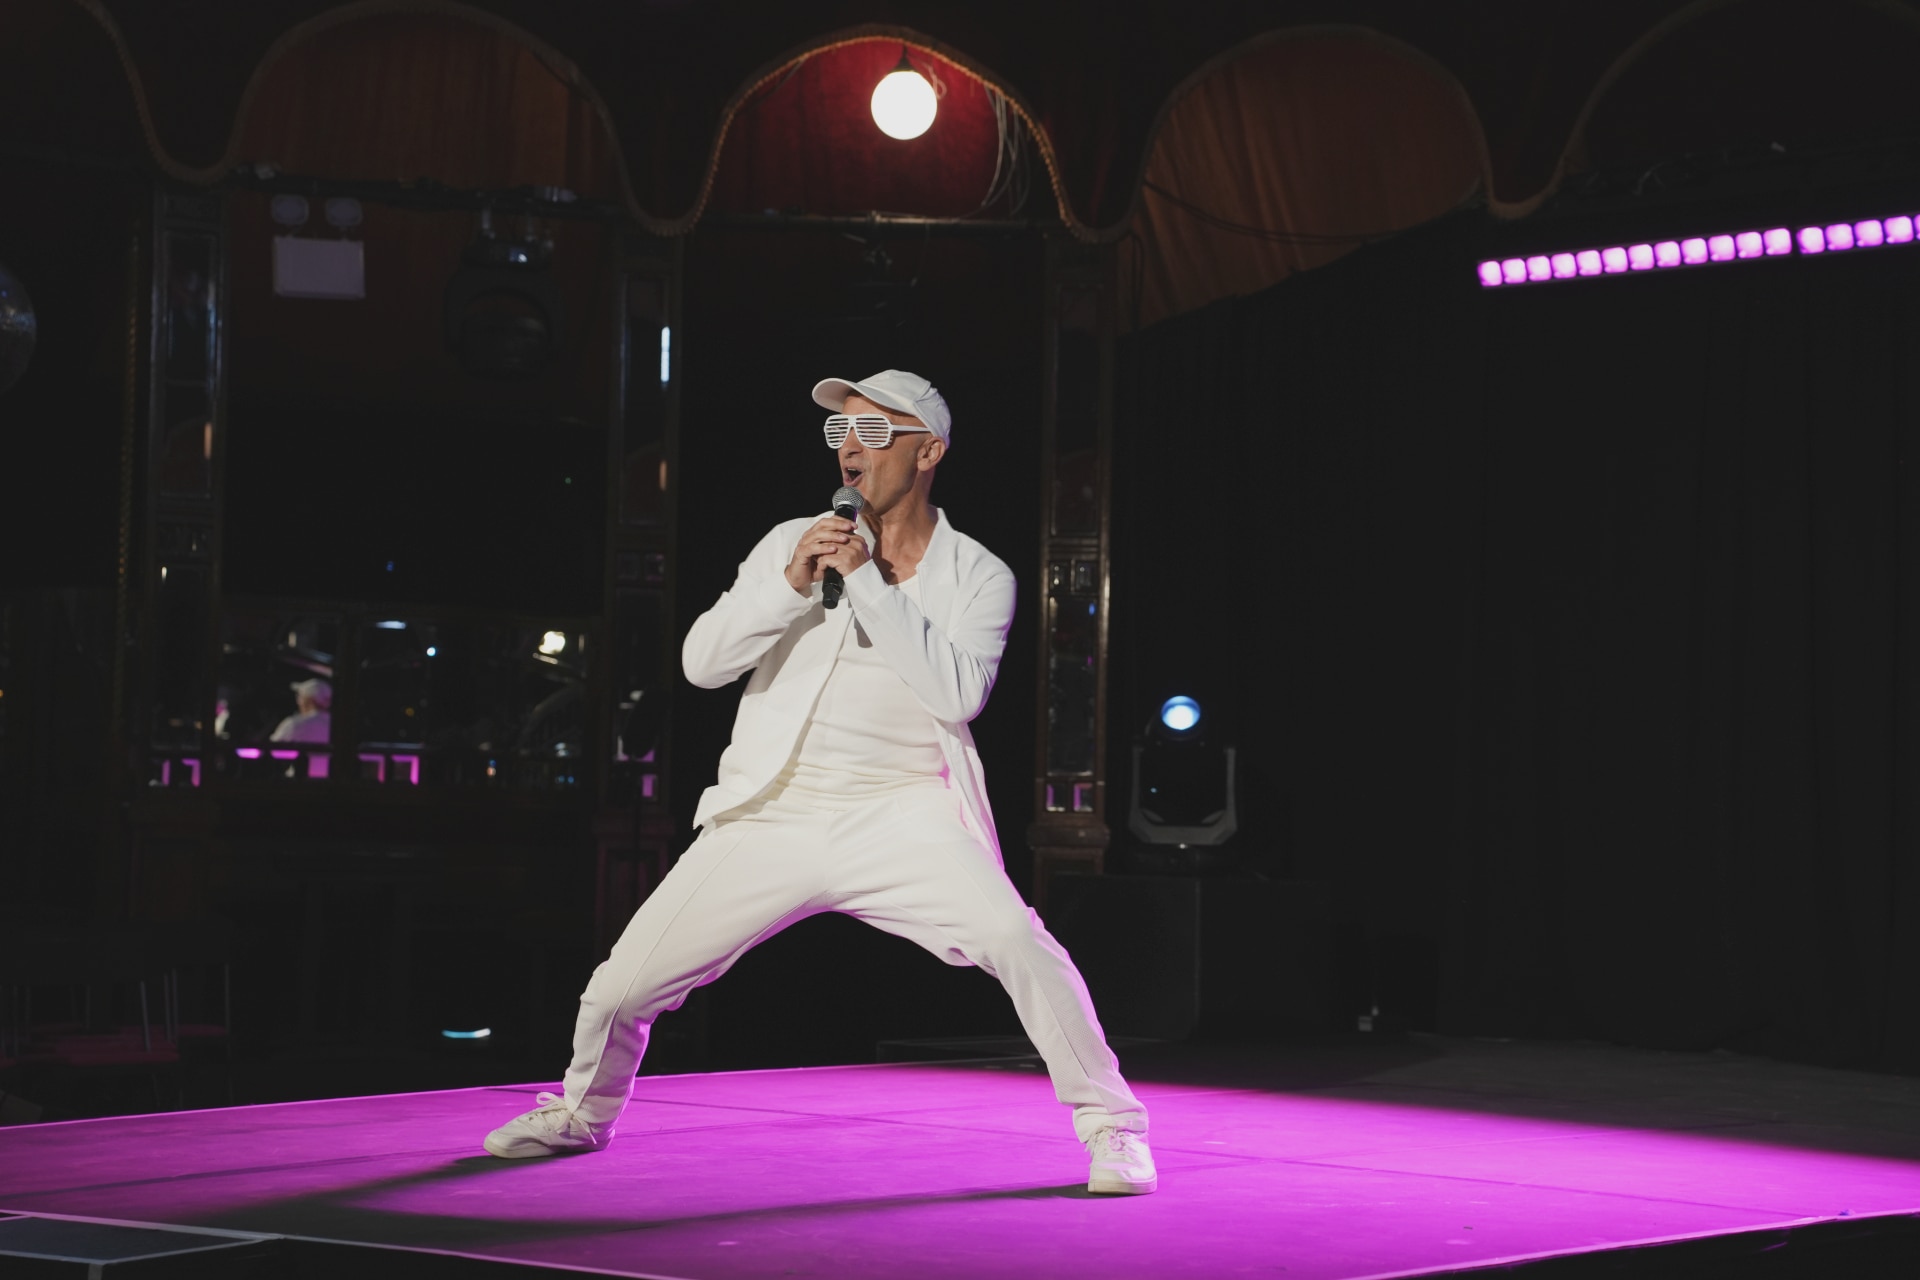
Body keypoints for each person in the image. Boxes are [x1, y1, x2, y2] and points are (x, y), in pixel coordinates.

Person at [483, 370, 1155, 1194]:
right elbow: (701, 664)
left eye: (875, 435)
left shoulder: (981, 574)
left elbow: (956, 694)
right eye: (841, 435)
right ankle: (583, 1114)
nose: (851, 451)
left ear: (929, 450)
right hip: (771, 811)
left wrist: (868, 580)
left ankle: (1114, 1128)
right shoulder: (789, 543)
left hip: (901, 813)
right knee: (621, 987)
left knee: (1019, 944)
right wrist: (791, 584)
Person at [269, 677, 331, 743]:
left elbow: (273, 750)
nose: (298, 701)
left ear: (309, 700)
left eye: (300, 696)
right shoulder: (338, 727)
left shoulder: (293, 724)